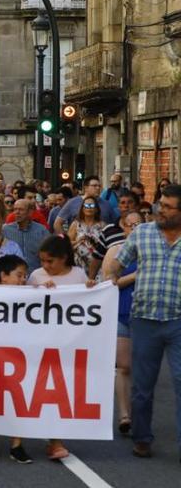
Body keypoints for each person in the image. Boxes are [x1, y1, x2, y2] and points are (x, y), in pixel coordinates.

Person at [109, 184, 181, 460]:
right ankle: (141, 438)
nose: (160, 210)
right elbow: (118, 263)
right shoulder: (142, 233)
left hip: (178, 321)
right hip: (144, 321)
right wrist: (107, 278)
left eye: (167, 207)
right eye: (160, 204)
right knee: (142, 386)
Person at [27, 235, 96, 460]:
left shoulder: (78, 276)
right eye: (43, 261)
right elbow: (21, 305)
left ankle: (56, 441)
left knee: (60, 392)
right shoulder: (36, 276)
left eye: (50, 261)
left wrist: (92, 289)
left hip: (68, 345)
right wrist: (37, 290)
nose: (45, 266)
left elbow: (88, 303)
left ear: (64, 258)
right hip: (40, 344)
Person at [0, 254, 35, 464]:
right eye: (19, 275)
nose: (23, 280)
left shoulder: (29, 296)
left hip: (18, 356)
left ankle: (17, 444)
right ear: (3, 276)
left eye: (25, 276)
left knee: (18, 396)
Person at [101, 210, 143, 437]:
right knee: (124, 365)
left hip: (146, 314)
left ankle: (141, 412)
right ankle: (124, 414)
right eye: (131, 225)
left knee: (144, 369)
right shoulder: (116, 251)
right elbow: (110, 281)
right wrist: (136, 275)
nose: (135, 229)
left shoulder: (149, 250)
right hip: (121, 313)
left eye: (139, 224)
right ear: (124, 227)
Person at [89, 191, 139, 279]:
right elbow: (97, 259)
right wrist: (90, 280)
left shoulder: (144, 228)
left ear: (137, 206)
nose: (126, 206)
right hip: (114, 281)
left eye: (130, 202)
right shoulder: (108, 230)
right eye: (122, 203)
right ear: (118, 207)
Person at [53, 176, 118, 232]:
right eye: (94, 186)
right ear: (86, 188)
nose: (98, 188)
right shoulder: (73, 202)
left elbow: (115, 224)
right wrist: (66, 240)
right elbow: (57, 224)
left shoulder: (106, 204)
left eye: (99, 186)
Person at [2, 199, 49, 270]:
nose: (17, 212)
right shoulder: (6, 230)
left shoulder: (41, 230)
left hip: (35, 274)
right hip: (12, 276)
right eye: (15, 209)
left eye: (21, 209)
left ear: (30, 212)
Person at [68, 196, 105, 269]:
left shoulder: (103, 225)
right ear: (82, 208)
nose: (89, 208)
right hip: (79, 265)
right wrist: (78, 241)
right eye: (87, 205)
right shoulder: (75, 224)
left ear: (96, 209)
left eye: (92, 205)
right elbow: (67, 244)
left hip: (98, 266)